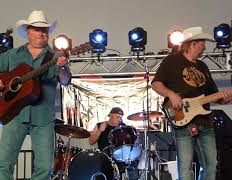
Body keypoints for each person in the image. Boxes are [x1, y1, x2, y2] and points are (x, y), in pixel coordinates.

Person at [0, 10, 71, 180]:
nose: (41, 33)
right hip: (14, 115)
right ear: (28, 32)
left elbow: (65, 80)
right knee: (4, 164)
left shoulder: (55, 56)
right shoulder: (12, 55)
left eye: (44, 29)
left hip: (43, 118)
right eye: (37, 29)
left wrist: (64, 67)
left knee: (44, 167)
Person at [151, 26, 232, 180]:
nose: (204, 46)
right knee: (185, 165)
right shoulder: (172, 60)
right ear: (193, 43)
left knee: (211, 165)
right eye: (202, 42)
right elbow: (156, 84)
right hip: (183, 119)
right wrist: (171, 94)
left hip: (205, 122)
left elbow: (213, 96)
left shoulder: (203, 66)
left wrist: (225, 98)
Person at [89, 107, 139, 180]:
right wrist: (99, 131)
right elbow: (91, 141)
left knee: (132, 161)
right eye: (117, 117)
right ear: (110, 115)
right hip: (105, 155)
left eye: (121, 118)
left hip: (121, 155)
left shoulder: (123, 127)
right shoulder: (100, 125)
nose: (119, 119)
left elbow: (132, 141)